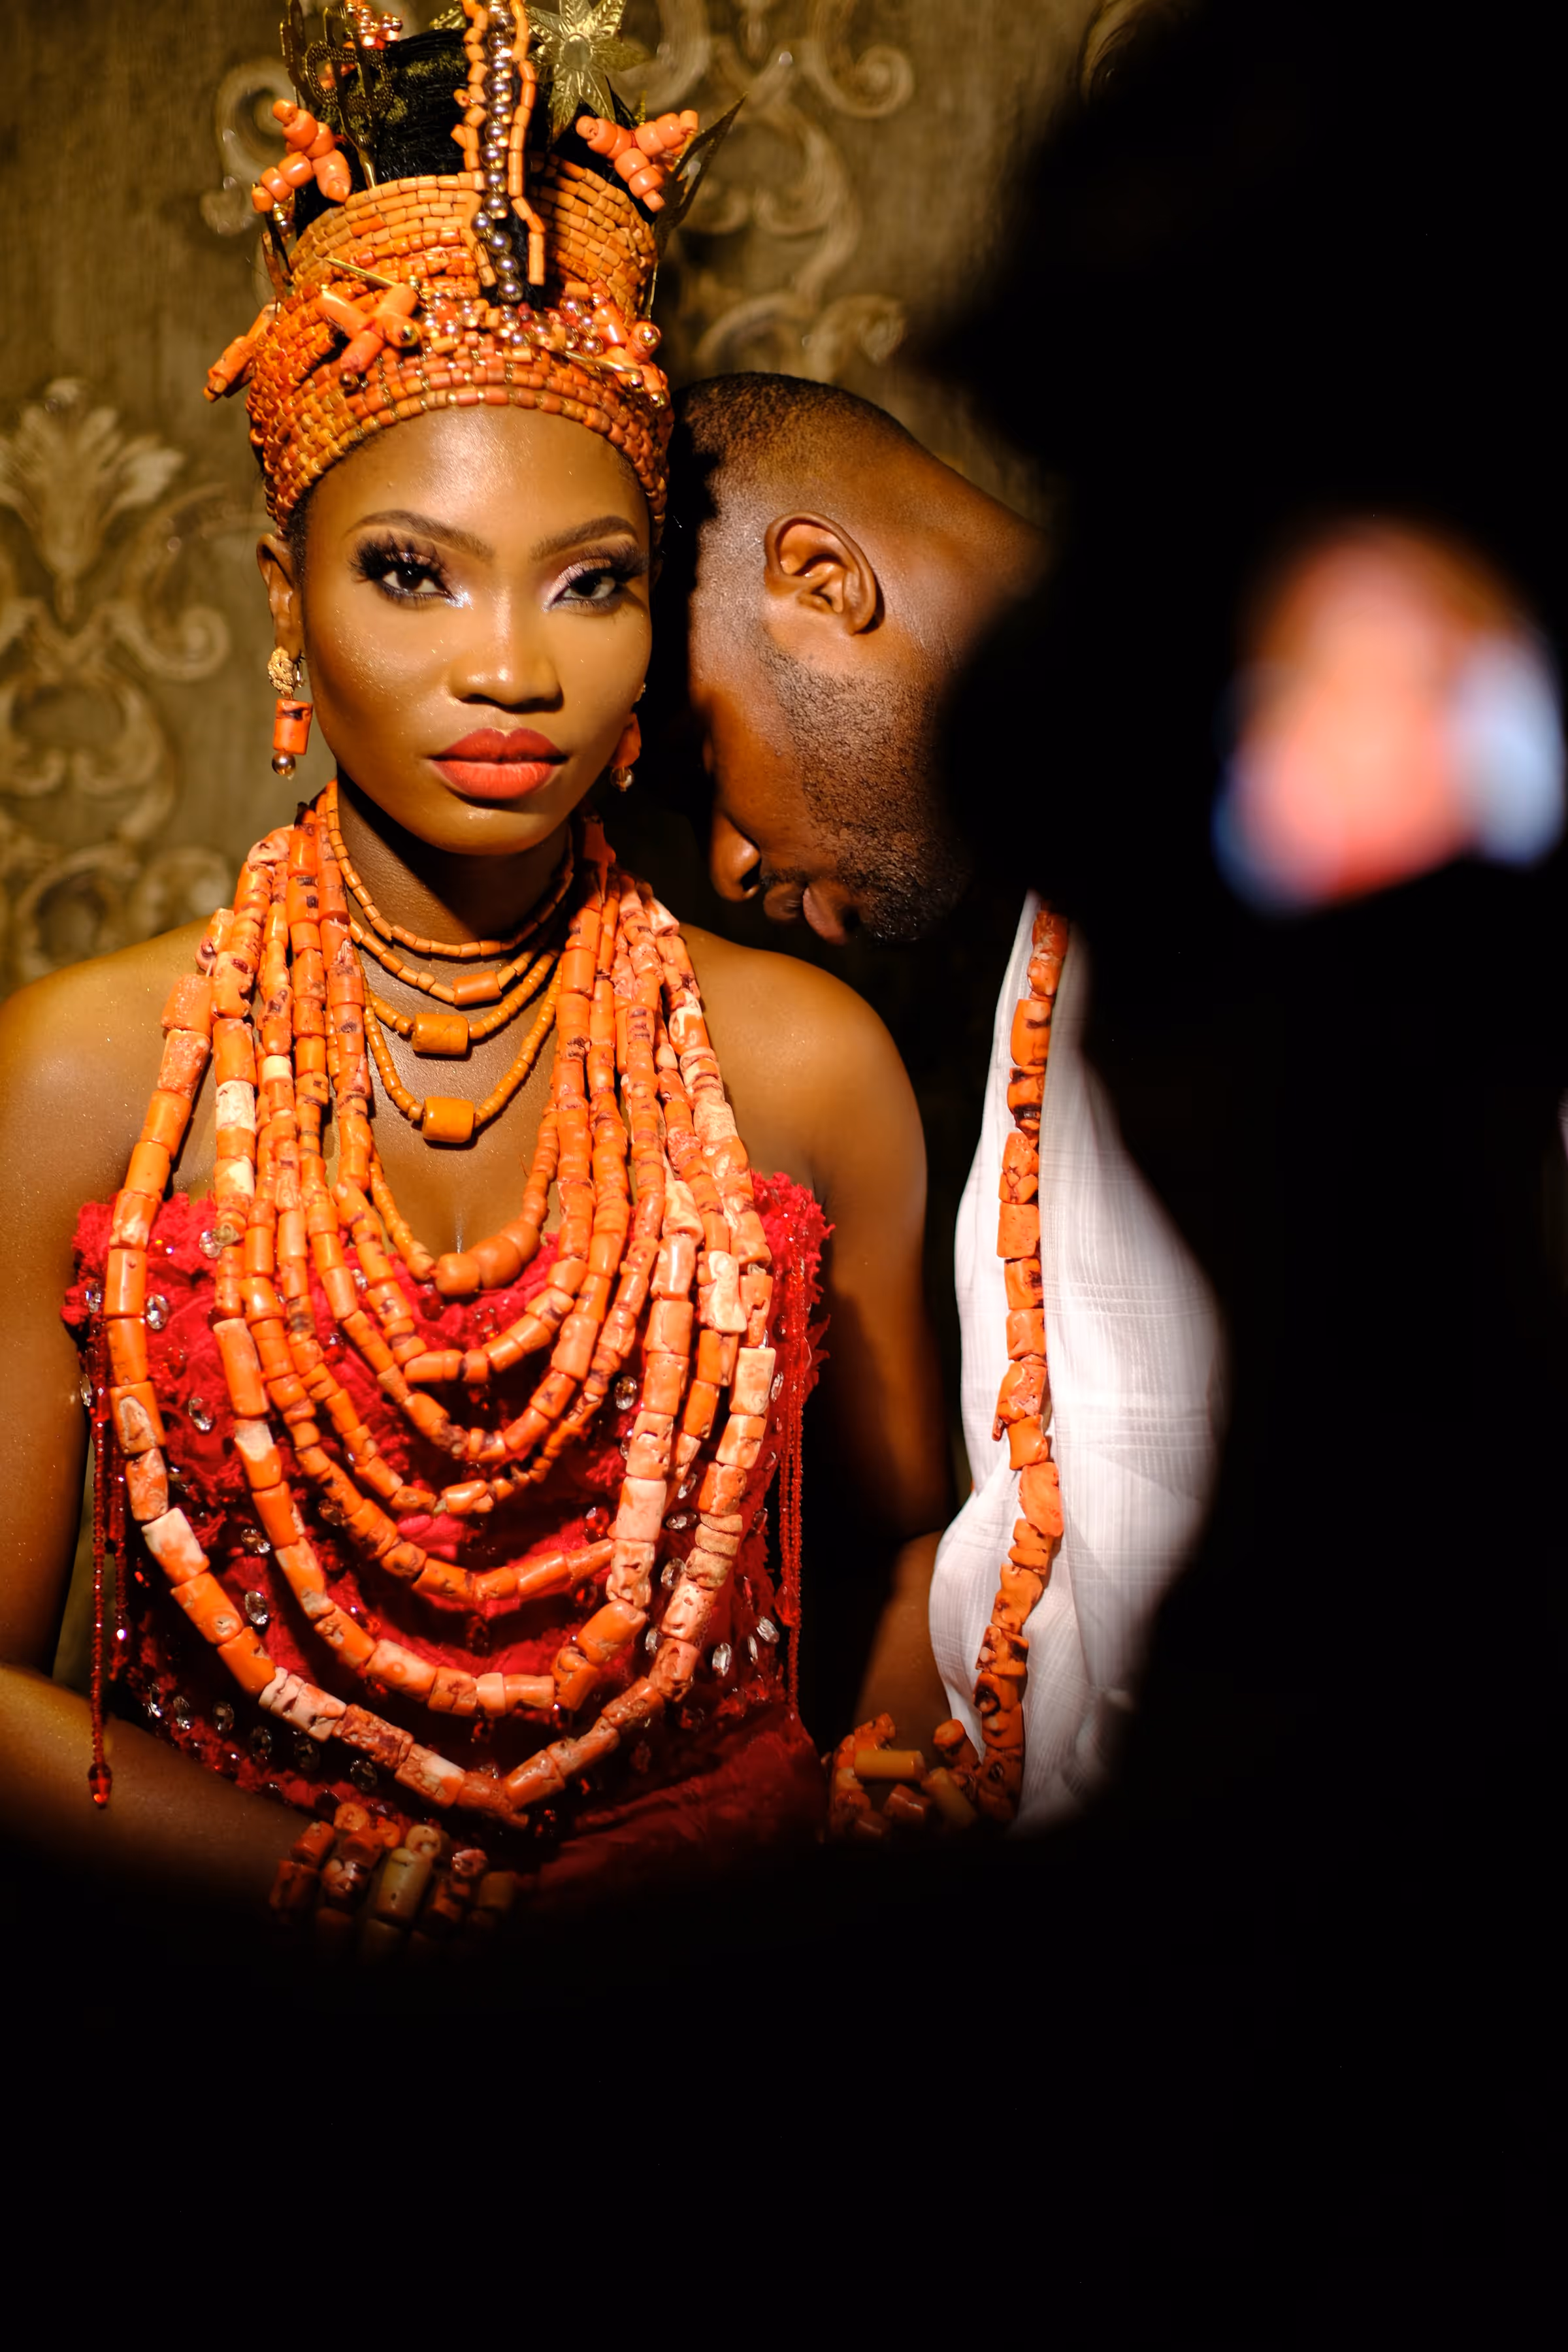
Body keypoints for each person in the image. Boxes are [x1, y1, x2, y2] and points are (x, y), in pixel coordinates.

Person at [0, 5, 951, 1955]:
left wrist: (880, 1778)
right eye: (414, 574)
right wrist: (315, 1888)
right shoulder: (88, 1082)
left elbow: (926, 1549)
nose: (510, 665)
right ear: (287, 597)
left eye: (590, 580)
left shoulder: (806, 1061)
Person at [654, 370, 1226, 1828]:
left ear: (821, 582)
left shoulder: (1296, 767)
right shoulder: (1084, 868)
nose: (724, 865)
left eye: (704, 756)